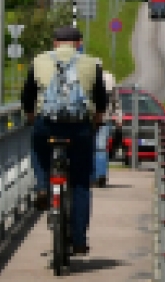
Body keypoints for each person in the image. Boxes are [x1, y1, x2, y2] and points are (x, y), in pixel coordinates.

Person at [22, 25, 109, 257]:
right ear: (79, 43)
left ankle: (42, 187)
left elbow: (28, 94)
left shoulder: (39, 61)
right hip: (79, 127)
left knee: (39, 151)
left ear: (55, 43)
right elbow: (101, 98)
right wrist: (97, 120)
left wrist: (32, 117)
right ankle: (79, 239)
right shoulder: (92, 64)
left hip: (47, 124)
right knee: (81, 181)